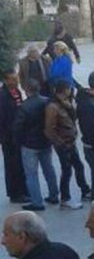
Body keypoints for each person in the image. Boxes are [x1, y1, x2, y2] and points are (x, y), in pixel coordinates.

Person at [45, 79, 91, 210]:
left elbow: (73, 119)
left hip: (70, 142)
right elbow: (49, 129)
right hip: (63, 144)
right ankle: (65, 199)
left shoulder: (65, 103)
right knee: (67, 170)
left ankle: (85, 190)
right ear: (65, 90)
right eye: (70, 89)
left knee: (79, 166)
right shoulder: (53, 107)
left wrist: (70, 107)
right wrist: (60, 143)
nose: (72, 91)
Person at [13, 79, 58, 212]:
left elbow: (18, 127)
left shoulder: (24, 106)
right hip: (45, 141)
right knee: (49, 169)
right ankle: (54, 195)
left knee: (31, 174)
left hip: (29, 144)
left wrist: (18, 141)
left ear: (26, 90)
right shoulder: (47, 102)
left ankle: (37, 202)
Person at [0, 71, 29, 203]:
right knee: (12, 165)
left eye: (16, 78)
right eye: (12, 79)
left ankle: (24, 190)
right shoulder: (2, 96)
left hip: (19, 134)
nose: (16, 81)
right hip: (8, 137)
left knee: (21, 163)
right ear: (5, 81)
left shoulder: (16, 92)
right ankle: (15, 193)